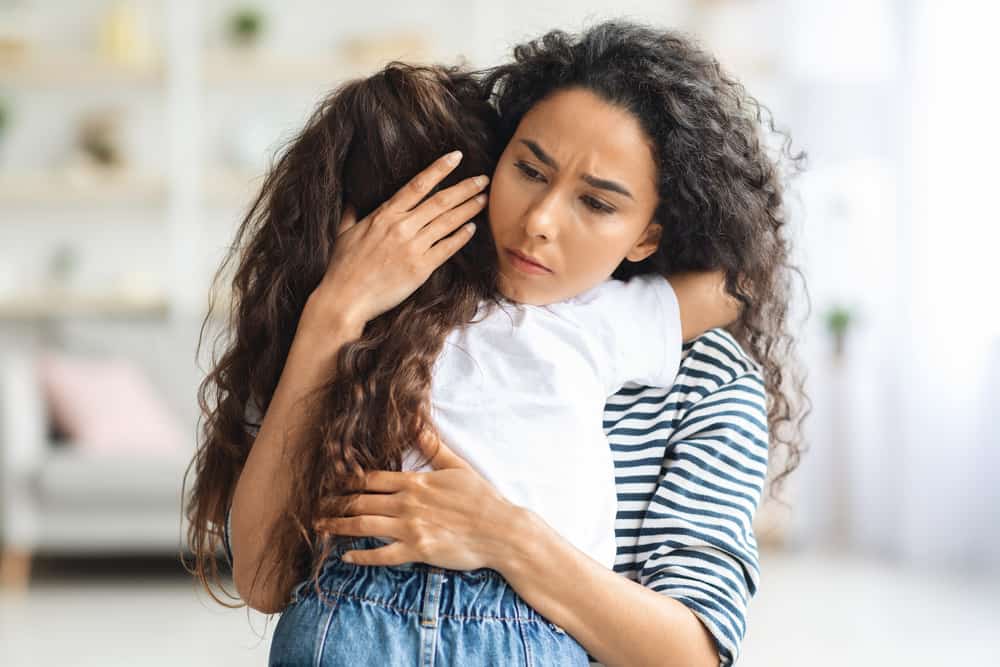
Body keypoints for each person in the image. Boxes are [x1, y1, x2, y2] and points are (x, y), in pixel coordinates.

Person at [186, 20, 805, 667]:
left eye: (596, 204)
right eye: (529, 169)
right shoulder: (387, 314)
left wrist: (503, 534)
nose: (538, 221)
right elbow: (262, 578)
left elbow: (693, 654)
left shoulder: (699, 375)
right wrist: (331, 313)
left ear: (649, 235)